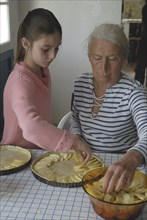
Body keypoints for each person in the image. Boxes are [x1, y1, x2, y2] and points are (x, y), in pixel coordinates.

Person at [0, 8, 91, 163]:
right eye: (46, 49)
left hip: (35, 152)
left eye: (57, 48)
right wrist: (73, 141)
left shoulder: (43, 71)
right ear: (26, 44)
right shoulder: (20, 81)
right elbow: (30, 126)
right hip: (14, 159)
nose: (53, 55)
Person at [70, 23, 147, 193]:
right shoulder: (80, 83)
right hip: (85, 166)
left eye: (113, 59)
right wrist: (77, 137)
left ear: (124, 59)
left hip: (120, 173)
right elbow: (74, 117)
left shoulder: (133, 91)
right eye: (97, 58)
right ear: (90, 57)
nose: (103, 68)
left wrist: (133, 158)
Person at [134, 0, 147, 85]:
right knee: (140, 67)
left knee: (140, 68)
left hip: (145, 40)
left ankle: (138, 88)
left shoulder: (145, 9)